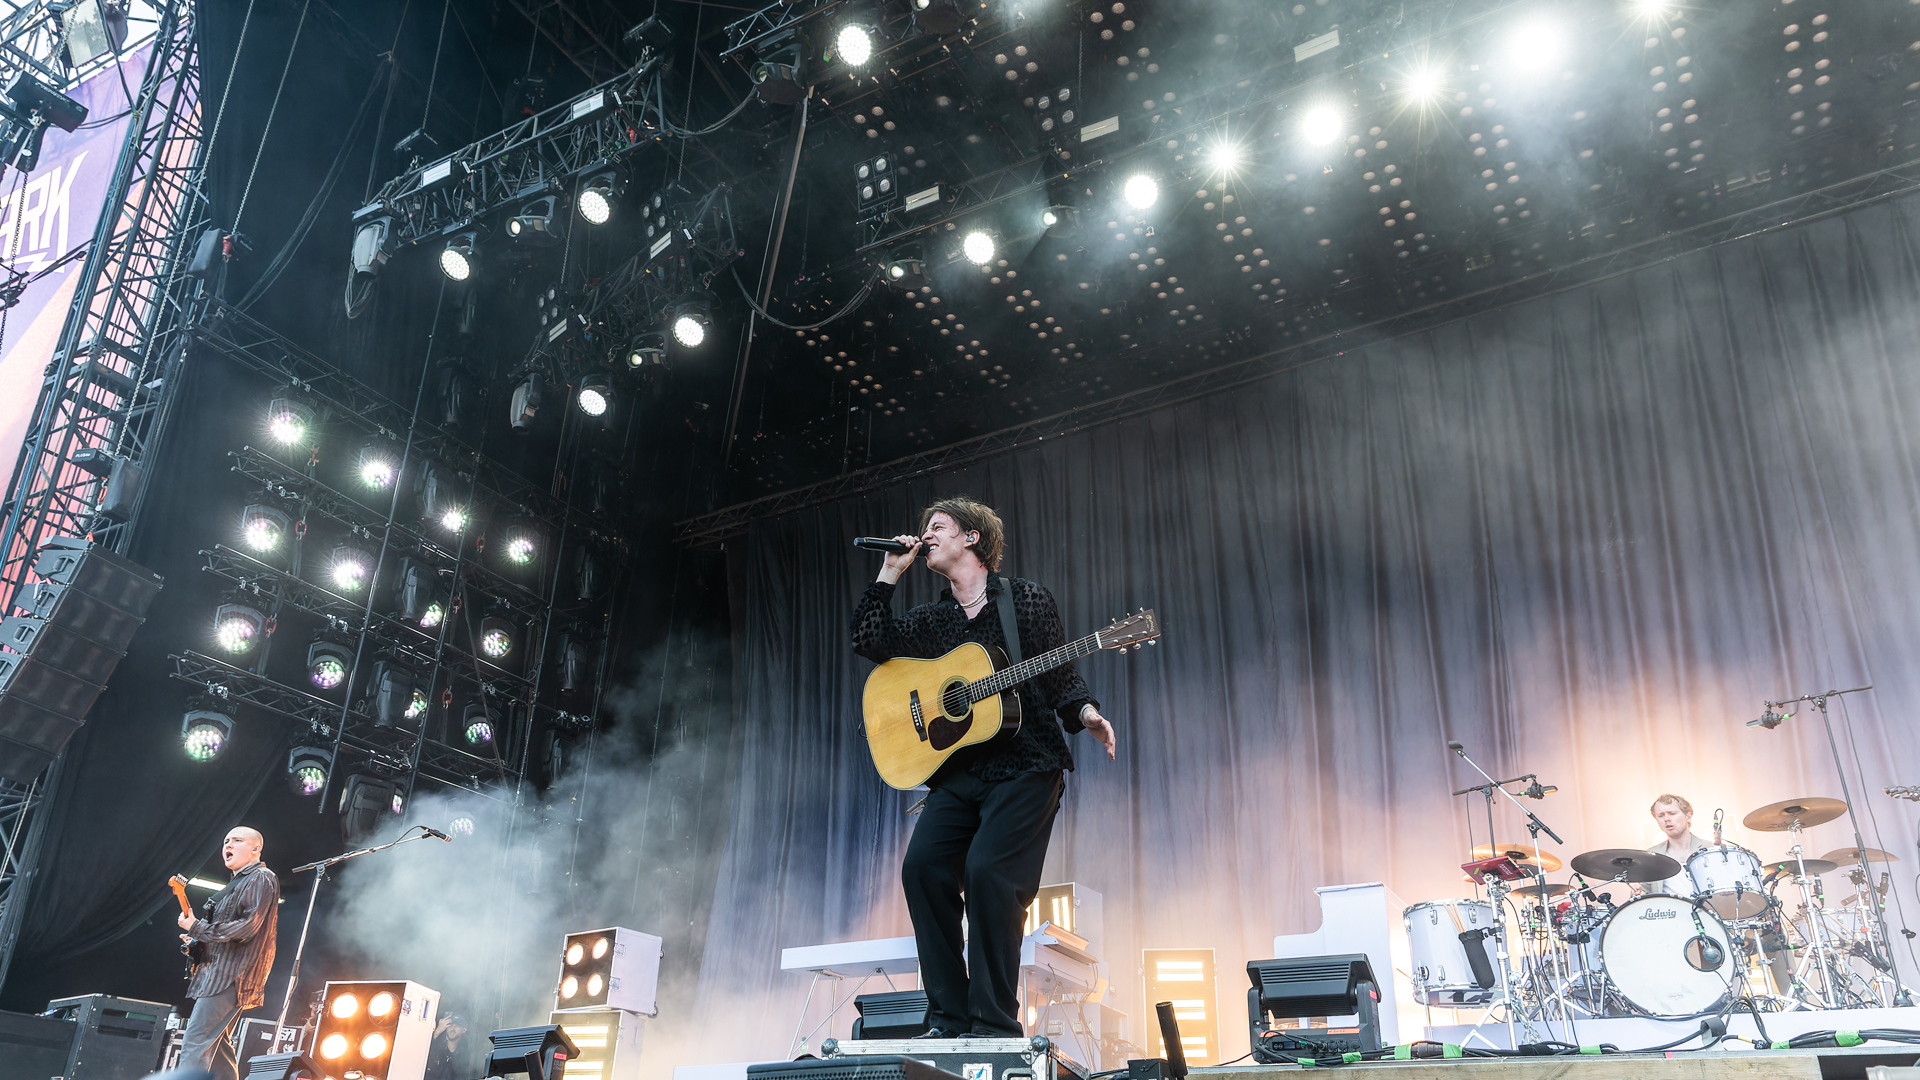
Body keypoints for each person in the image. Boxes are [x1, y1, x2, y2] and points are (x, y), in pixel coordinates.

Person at [851, 496, 1116, 1039]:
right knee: (922, 869)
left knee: (988, 874)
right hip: (960, 771)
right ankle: (948, 1017)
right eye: (925, 528)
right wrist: (889, 571)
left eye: (938, 526)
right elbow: (868, 639)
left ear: (972, 537)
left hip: (1027, 762)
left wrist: (1085, 712)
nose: (926, 535)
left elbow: (1060, 673)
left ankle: (993, 1021)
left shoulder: (1025, 600)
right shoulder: (933, 620)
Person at [176, 827, 280, 1080]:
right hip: (221, 973)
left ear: (256, 848)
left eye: (237, 840)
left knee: (196, 1040)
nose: (228, 845)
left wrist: (197, 927)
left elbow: (247, 927)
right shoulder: (237, 883)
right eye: (226, 841)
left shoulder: (261, 877)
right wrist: (197, 939)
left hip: (231, 975)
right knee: (219, 1045)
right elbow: (227, 933)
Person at [1640, 794, 1712, 896]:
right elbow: (1645, 893)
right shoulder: (1651, 855)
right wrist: (1640, 892)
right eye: (1660, 816)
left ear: (1688, 816)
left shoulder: (1710, 849)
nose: (1666, 819)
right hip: (1668, 906)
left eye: (1672, 813)